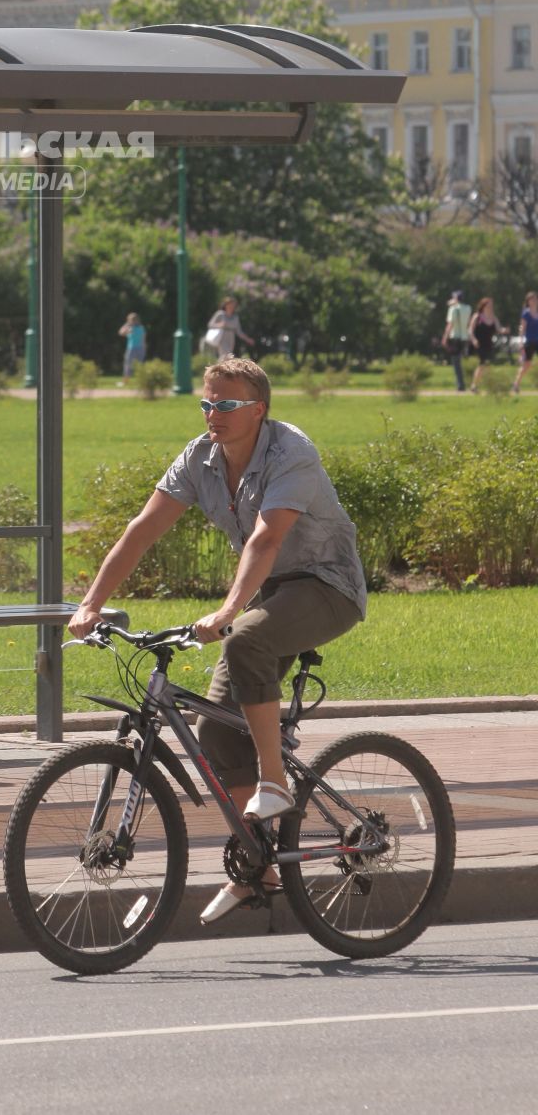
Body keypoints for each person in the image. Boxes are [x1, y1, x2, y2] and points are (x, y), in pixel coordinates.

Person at [68, 355, 366, 925]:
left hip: (326, 587)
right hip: (268, 593)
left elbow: (266, 537)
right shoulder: (200, 457)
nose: (213, 414)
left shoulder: (290, 451)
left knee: (243, 640)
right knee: (215, 734)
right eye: (207, 402)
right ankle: (261, 871)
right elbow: (142, 530)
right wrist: (91, 603)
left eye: (226, 404)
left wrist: (229, 610)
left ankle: (275, 782)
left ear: (259, 409)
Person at [441, 289, 472, 393]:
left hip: (455, 337)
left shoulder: (453, 309)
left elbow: (450, 324)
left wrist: (445, 337)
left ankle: (460, 385)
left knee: (456, 362)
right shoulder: (468, 308)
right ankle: (461, 383)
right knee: (460, 361)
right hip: (464, 337)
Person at [205, 296, 254, 360]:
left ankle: (220, 368)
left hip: (231, 338)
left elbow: (239, 332)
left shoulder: (235, 317)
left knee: (228, 356)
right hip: (222, 337)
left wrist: (248, 339)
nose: (232, 307)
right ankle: (219, 369)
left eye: (233, 305)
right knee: (225, 355)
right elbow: (210, 324)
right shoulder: (220, 314)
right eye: (230, 305)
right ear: (226, 305)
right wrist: (219, 325)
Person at [469, 297, 499, 394]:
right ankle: (474, 385)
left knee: (487, 365)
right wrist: (473, 340)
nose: (491, 306)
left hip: (488, 344)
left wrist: (505, 330)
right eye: (489, 304)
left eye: (491, 304)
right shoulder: (477, 316)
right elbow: (470, 330)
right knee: (483, 364)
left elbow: (499, 328)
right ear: (484, 305)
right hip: (479, 343)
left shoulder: (493, 317)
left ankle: (482, 385)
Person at [511, 293, 538, 398]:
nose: (534, 301)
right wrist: (521, 343)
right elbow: (522, 328)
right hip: (530, 341)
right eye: (531, 300)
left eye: (535, 299)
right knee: (527, 364)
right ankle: (516, 384)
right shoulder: (526, 313)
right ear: (528, 302)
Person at [118, 312, 147, 381]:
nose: (134, 320)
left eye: (135, 319)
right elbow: (121, 332)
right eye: (131, 319)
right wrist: (127, 324)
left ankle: (141, 380)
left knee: (140, 364)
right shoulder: (129, 328)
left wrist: (144, 348)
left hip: (140, 348)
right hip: (131, 348)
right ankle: (126, 380)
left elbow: (143, 339)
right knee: (128, 364)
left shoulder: (141, 328)